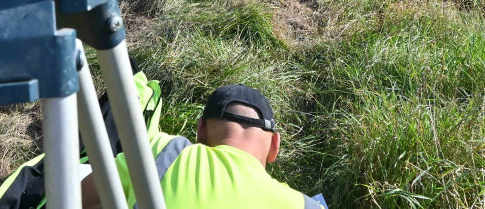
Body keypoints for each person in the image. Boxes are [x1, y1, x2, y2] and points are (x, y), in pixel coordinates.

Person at [81, 83, 327, 209]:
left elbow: (75, 198)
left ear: (200, 131)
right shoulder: (307, 206)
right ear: (275, 145)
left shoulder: (164, 150)